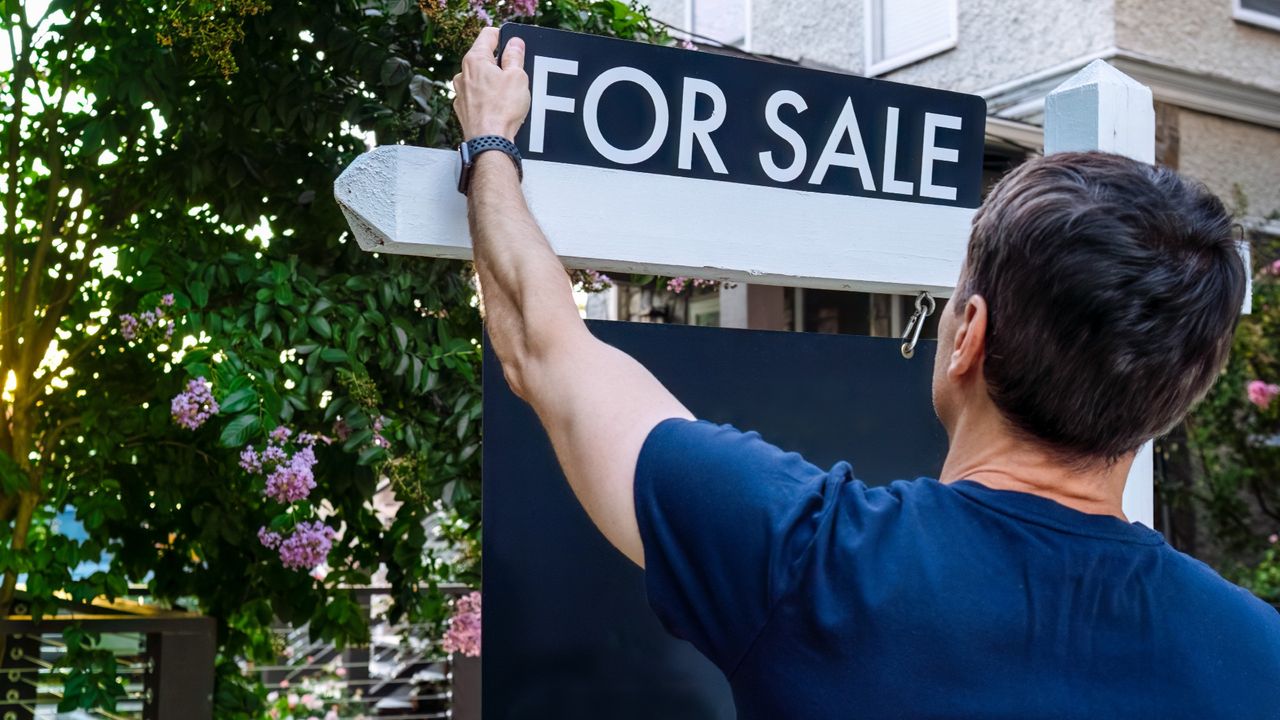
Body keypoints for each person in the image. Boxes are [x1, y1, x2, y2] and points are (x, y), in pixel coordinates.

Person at [451, 27, 1280, 718]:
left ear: (969, 337)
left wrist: (490, 144)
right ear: (1175, 393)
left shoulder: (809, 562)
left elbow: (541, 343)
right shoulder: (1257, 654)